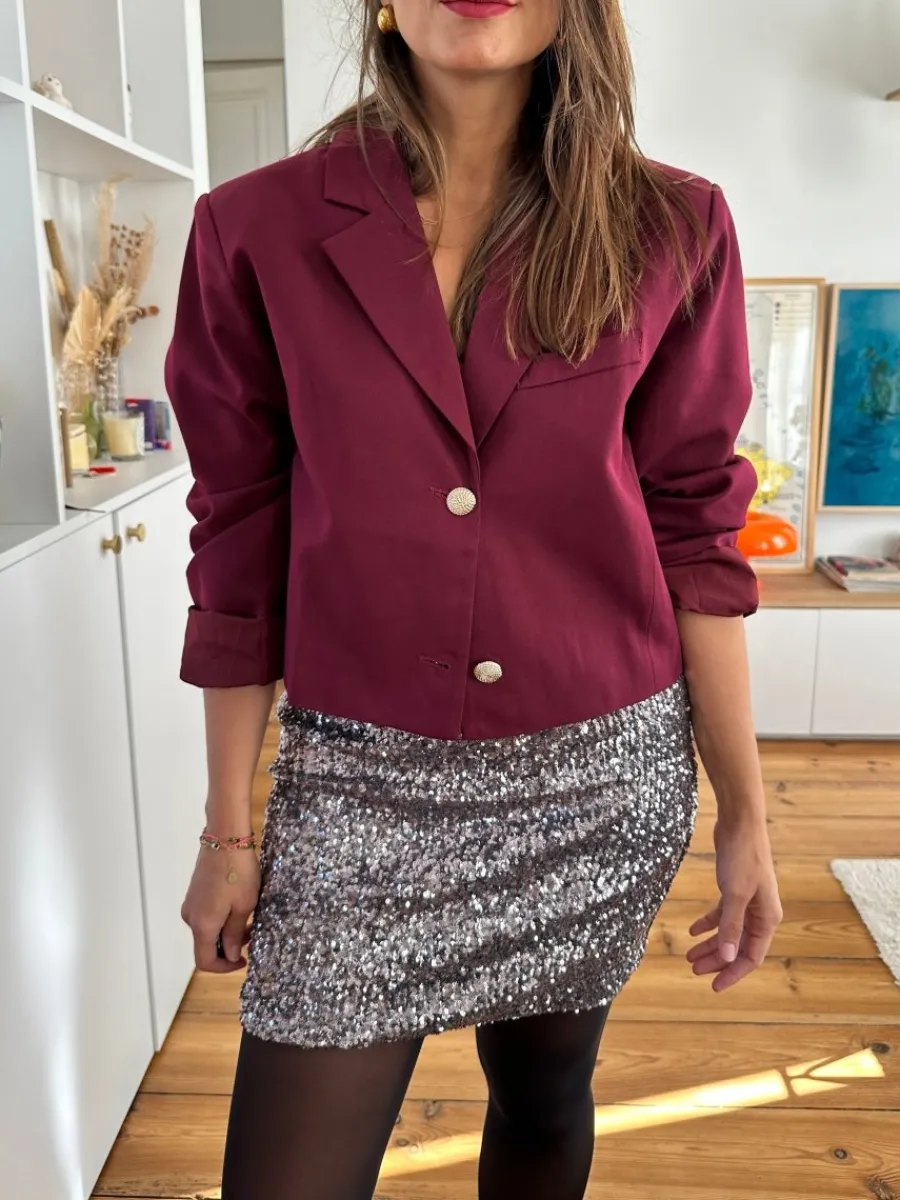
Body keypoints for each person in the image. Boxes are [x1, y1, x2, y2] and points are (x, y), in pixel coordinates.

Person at [166, 1, 783, 1196]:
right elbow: (237, 546)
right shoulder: (253, 230)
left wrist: (745, 813)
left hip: (601, 779)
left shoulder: (672, 226)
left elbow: (696, 534)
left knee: (545, 1097)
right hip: (358, 784)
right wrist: (228, 833)